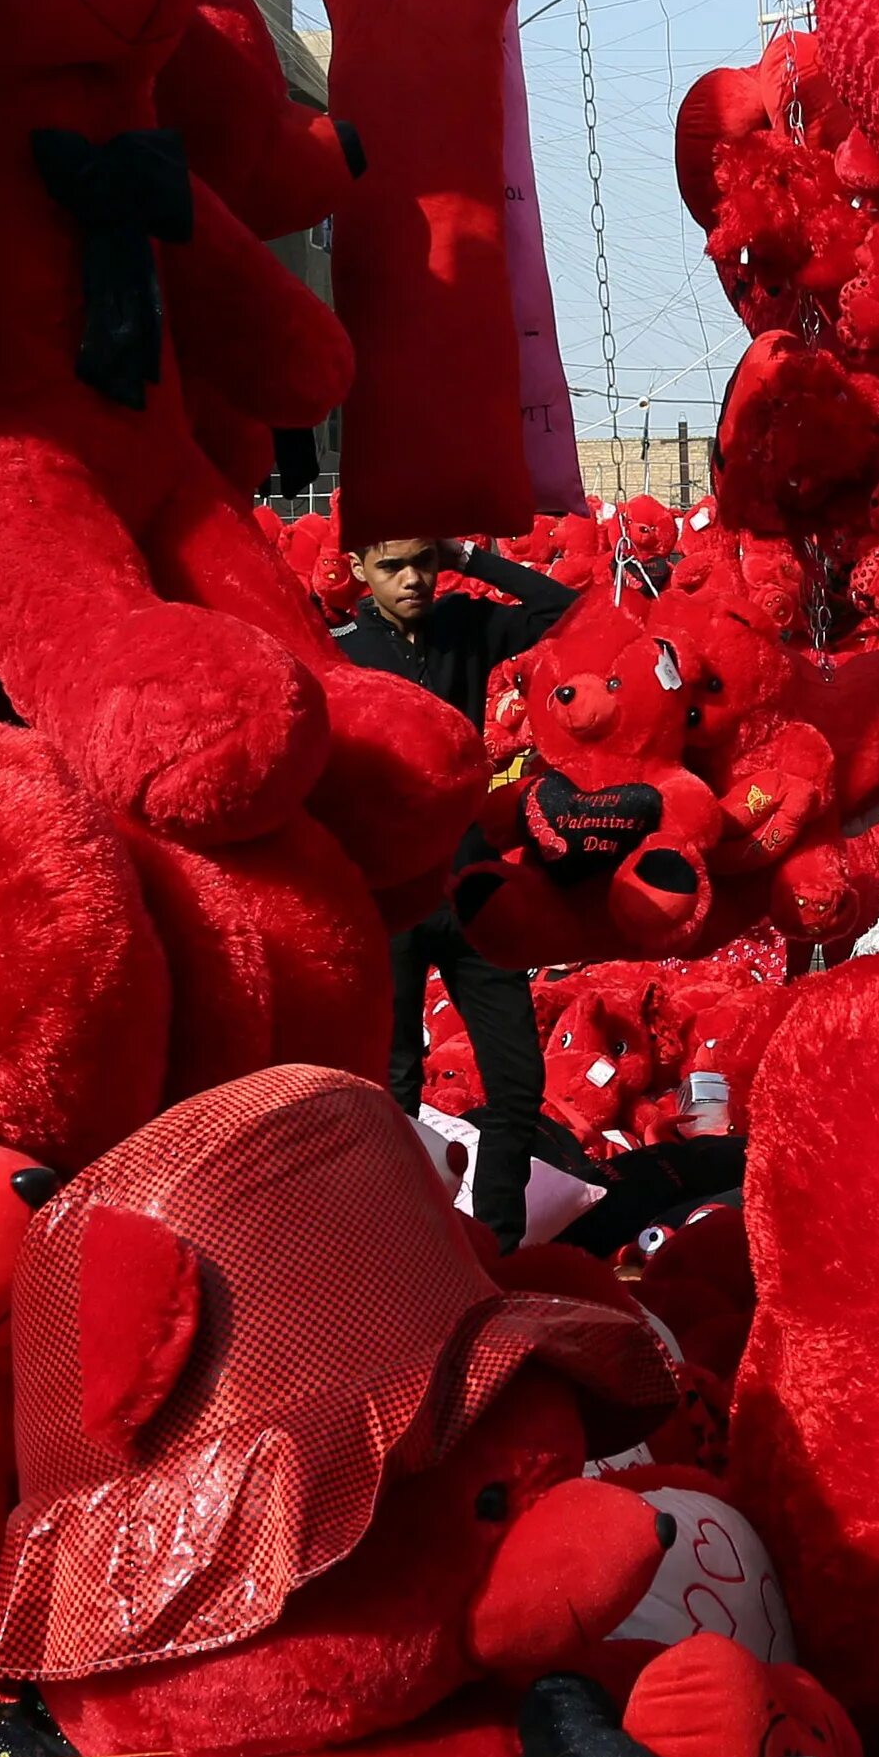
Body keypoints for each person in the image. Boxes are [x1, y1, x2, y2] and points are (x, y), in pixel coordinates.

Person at [335, 534, 577, 1249]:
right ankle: (403, 1244)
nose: (412, 579)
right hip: (389, 897)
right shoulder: (342, 650)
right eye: (392, 568)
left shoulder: (466, 623)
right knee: (395, 1083)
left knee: (517, 1081)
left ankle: (496, 1240)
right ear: (358, 571)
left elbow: (563, 609)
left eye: (423, 563)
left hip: (473, 891)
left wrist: (470, 558)